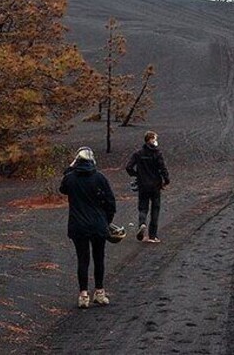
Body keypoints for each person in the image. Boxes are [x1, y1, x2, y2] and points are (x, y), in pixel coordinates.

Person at [59, 147, 116, 309]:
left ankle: (83, 295)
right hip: (98, 224)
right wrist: (107, 221)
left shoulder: (70, 178)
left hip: (78, 225)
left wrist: (70, 167)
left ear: (77, 160)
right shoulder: (100, 178)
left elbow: (62, 188)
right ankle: (99, 292)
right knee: (99, 258)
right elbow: (111, 202)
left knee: (82, 259)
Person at [126, 131, 170, 243]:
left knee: (143, 207)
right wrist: (166, 180)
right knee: (155, 209)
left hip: (142, 185)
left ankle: (142, 223)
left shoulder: (138, 153)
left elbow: (129, 167)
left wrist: (136, 174)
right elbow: (163, 168)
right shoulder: (157, 154)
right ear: (151, 140)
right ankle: (152, 235)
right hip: (155, 185)